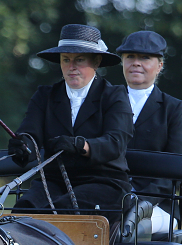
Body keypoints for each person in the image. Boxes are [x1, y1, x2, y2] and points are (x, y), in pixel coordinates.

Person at [8, 24, 133, 225]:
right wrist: (22, 146)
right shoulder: (45, 96)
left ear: (97, 61)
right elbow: (30, 133)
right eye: (66, 60)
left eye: (79, 60)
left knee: (59, 212)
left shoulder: (114, 96)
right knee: (21, 213)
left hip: (104, 183)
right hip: (53, 182)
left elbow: (115, 142)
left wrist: (81, 145)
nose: (71, 66)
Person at [116, 31, 182, 233]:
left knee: (128, 226)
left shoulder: (173, 108)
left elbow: (175, 167)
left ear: (159, 66)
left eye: (145, 58)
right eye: (130, 57)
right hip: (109, 197)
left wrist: (140, 200)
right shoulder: (105, 101)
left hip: (159, 205)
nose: (136, 63)